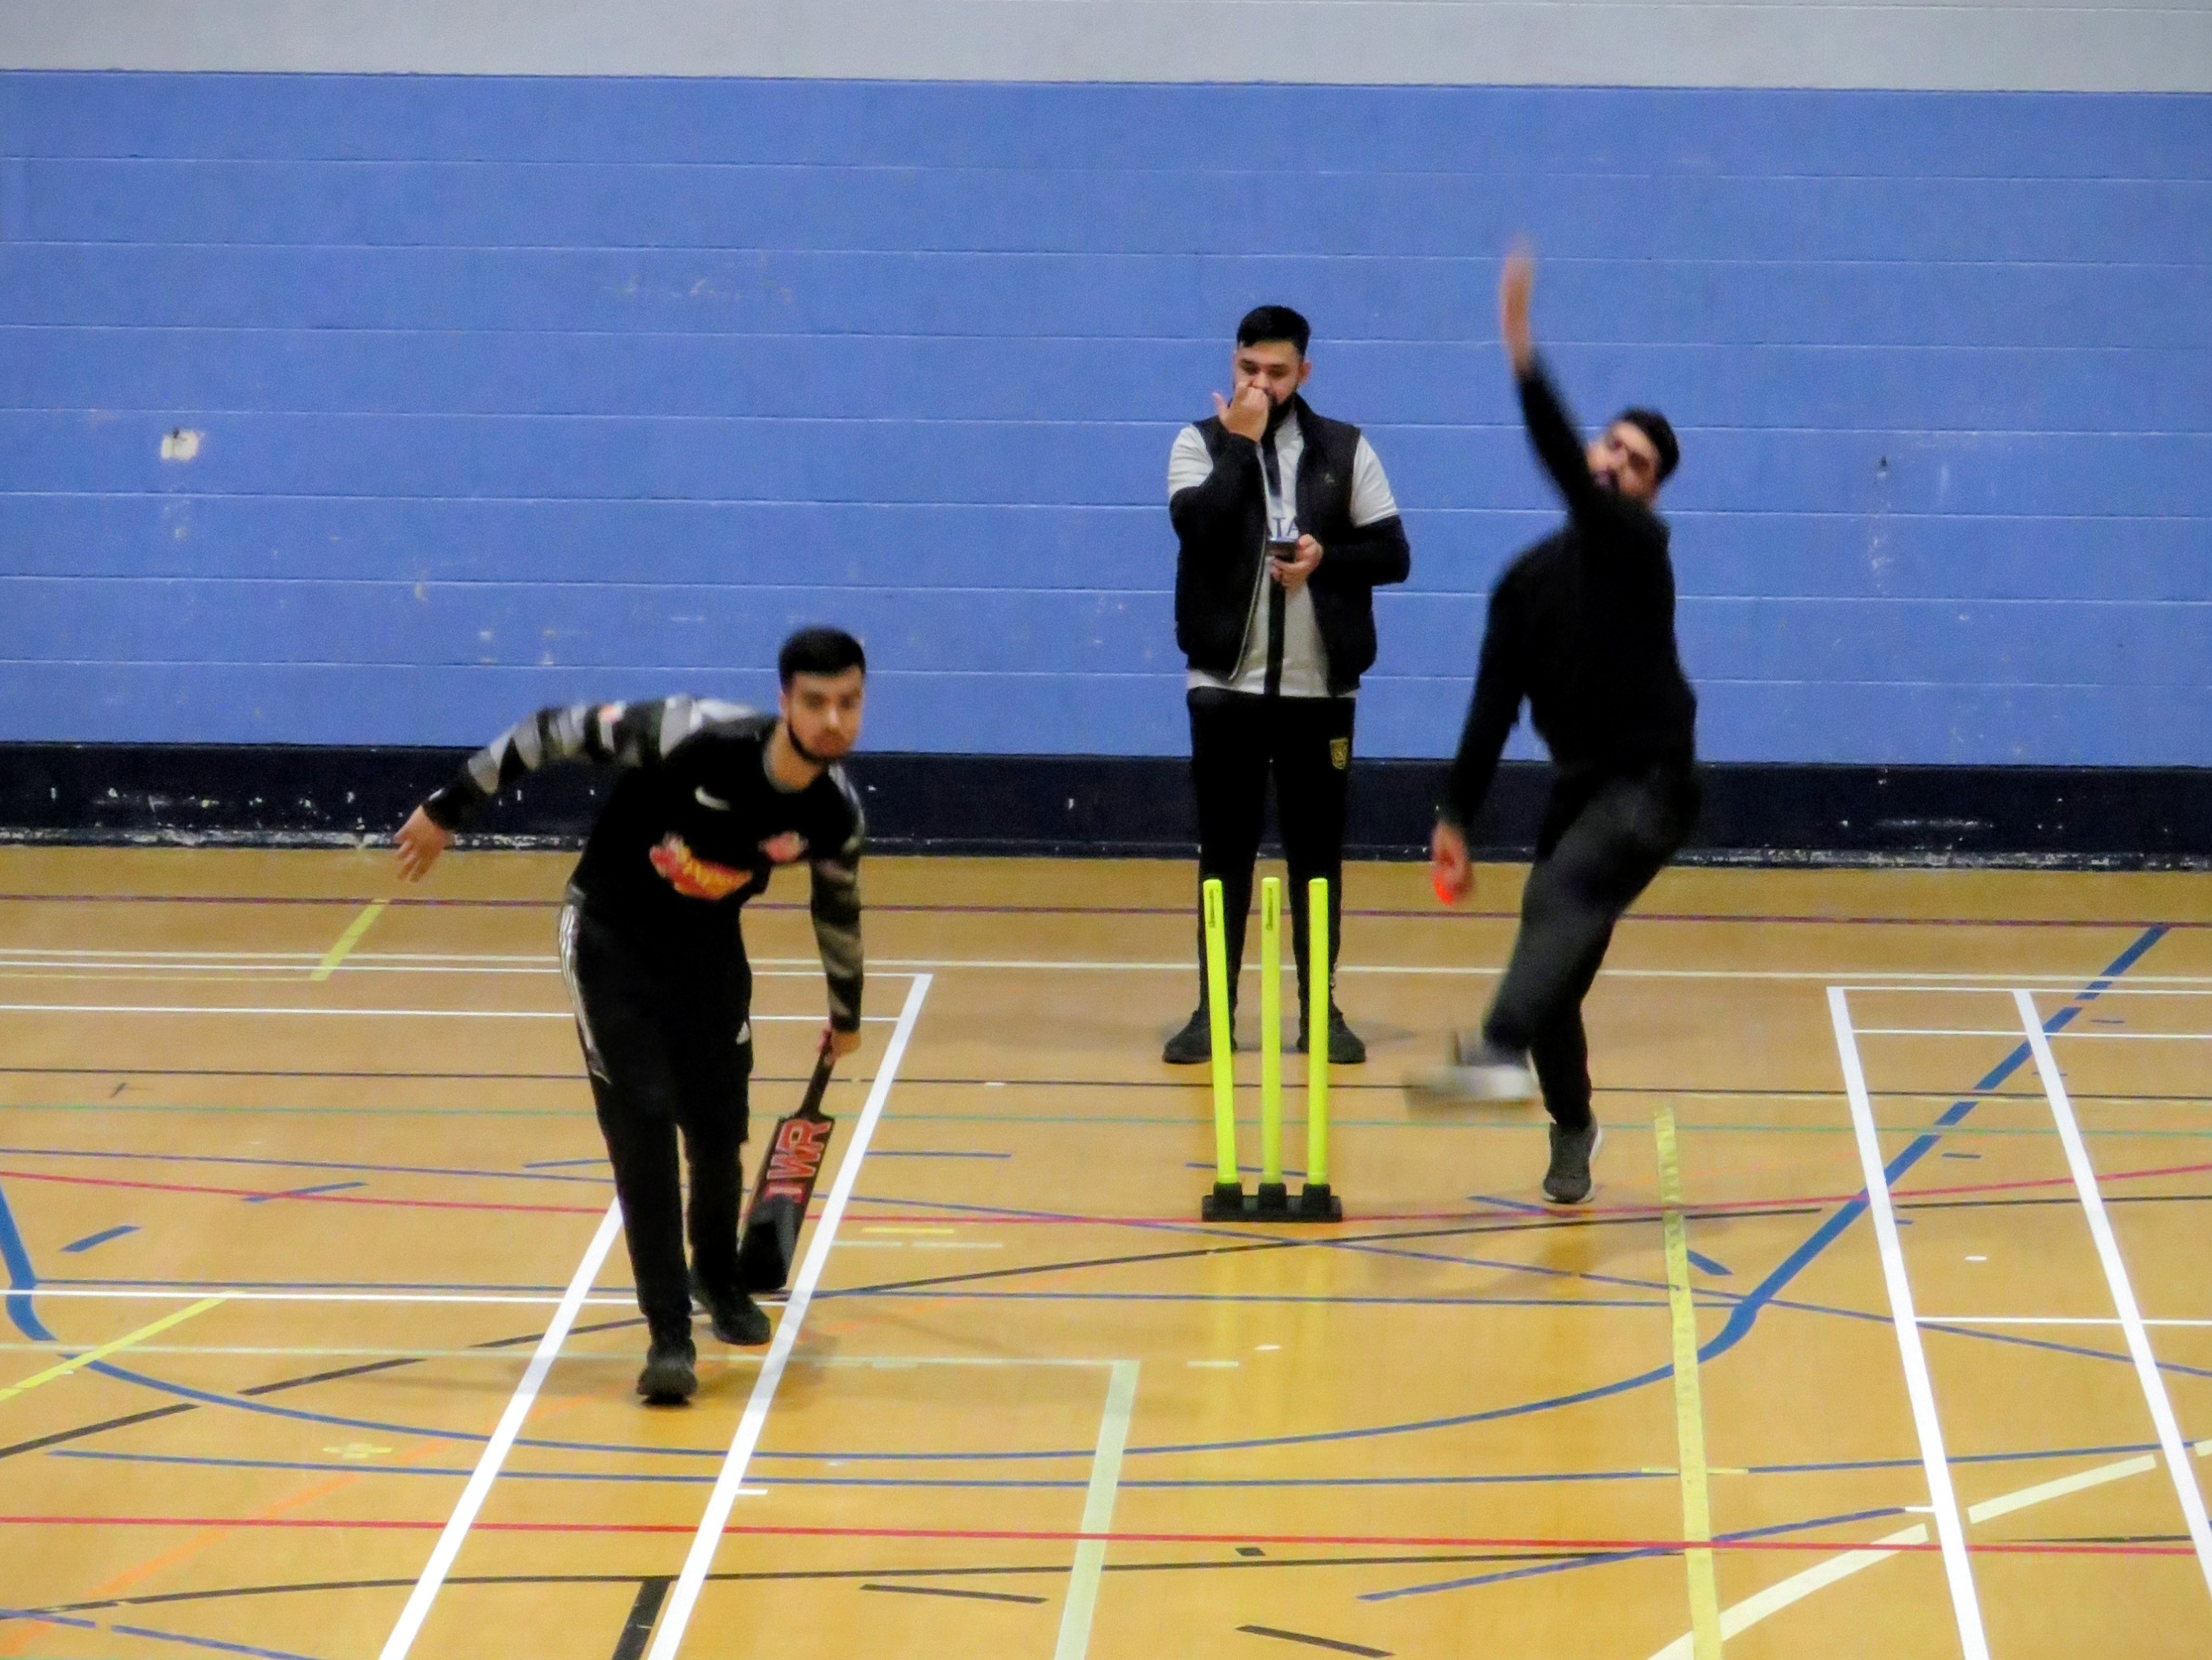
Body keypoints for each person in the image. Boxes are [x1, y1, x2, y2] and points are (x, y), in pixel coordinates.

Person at [392, 628, 868, 1403]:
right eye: (816, 703)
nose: (833, 722)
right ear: (785, 702)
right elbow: (551, 732)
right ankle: (668, 1335)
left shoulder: (833, 810)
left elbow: (838, 909)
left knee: (718, 1131)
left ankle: (717, 1275)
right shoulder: (692, 734)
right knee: (643, 1124)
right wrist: (449, 808)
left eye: (849, 704)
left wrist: (846, 1015)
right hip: (611, 941)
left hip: (708, 952)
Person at [1408, 247, 1701, 1206]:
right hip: (1580, 787)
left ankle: (1491, 1053)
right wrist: (1455, 811)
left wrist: (1522, 352)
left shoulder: (1639, 546)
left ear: (1651, 491)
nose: (1618, 464)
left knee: (1558, 898)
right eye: (1612, 446)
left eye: (1639, 462)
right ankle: (1571, 1122)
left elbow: (1573, 479)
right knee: (1559, 977)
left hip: (1650, 788)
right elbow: (1492, 705)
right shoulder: (1524, 585)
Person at [1162, 304, 1412, 1066]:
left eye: (1276, 372)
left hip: (1319, 693)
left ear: (1304, 372)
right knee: (1225, 854)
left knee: (1316, 857)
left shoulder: (1347, 449)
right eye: (1248, 370)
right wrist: (1239, 448)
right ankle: (1212, 1012)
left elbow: (1395, 553)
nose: (1260, 385)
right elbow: (1198, 529)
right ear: (1231, 364)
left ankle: (1321, 1012)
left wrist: (1323, 556)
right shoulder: (1197, 444)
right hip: (1223, 687)